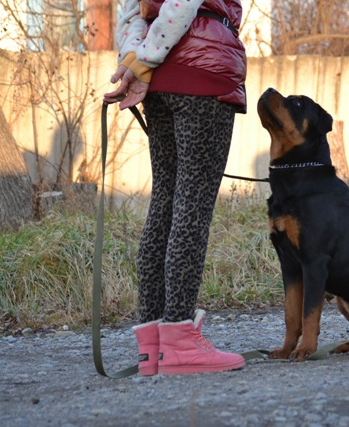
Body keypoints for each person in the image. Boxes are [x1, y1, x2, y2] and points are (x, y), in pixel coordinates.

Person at [104, 0, 247, 375]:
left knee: (165, 203)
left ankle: (153, 344)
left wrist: (137, 61)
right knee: (191, 207)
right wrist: (146, 60)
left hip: (160, 83)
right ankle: (181, 339)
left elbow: (132, 15)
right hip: (203, 73)